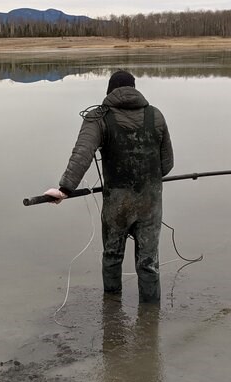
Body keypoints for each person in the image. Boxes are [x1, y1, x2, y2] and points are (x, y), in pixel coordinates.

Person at [45, 70, 173, 303]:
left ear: (109, 91)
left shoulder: (98, 117)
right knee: (149, 263)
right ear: (134, 89)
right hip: (150, 204)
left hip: (117, 205)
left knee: (112, 256)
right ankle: (150, 320)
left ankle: (112, 312)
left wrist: (64, 188)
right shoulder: (156, 115)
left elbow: (82, 153)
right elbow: (167, 166)